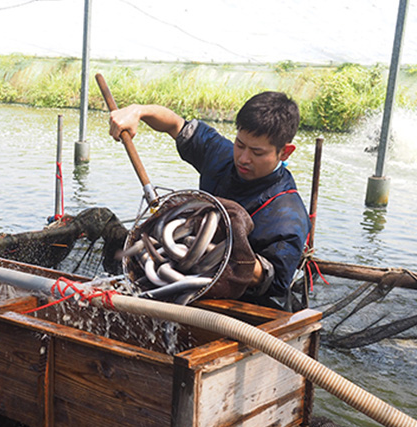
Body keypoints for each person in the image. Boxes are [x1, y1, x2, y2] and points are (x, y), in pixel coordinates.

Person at [109, 91, 310, 311]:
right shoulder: (221, 155)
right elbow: (175, 125)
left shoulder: (288, 216)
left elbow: (274, 280)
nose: (243, 158)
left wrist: (225, 256)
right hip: (183, 280)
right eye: (240, 144)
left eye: (257, 152)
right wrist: (139, 110)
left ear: (285, 152)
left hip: (241, 309)